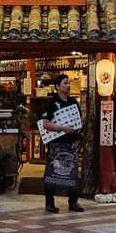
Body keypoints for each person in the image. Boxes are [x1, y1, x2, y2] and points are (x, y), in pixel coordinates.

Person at [41, 74, 84, 213]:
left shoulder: (73, 102)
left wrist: (78, 127)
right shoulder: (52, 103)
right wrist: (63, 128)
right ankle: (49, 202)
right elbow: (46, 124)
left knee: (72, 173)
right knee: (53, 172)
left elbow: (78, 120)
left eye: (69, 83)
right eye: (65, 83)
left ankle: (73, 201)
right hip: (56, 143)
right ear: (58, 86)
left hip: (71, 143)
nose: (68, 85)